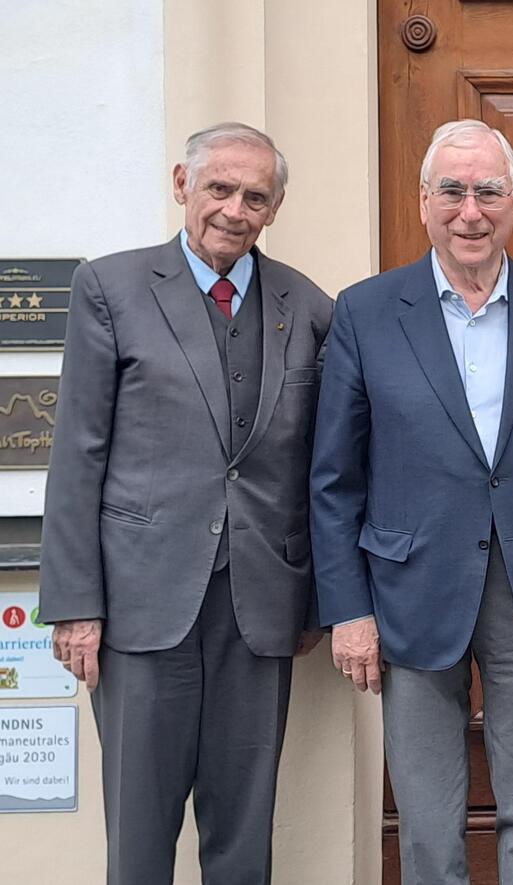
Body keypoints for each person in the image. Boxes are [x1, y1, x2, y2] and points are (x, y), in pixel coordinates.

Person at [310, 118, 513, 885]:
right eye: (452, 191)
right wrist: (347, 609)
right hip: (406, 587)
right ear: (423, 202)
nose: (469, 210)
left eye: (487, 191)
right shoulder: (367, 310)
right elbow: (334, 475)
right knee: (427, 820)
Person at [39, 122, 334, 884]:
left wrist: (316, 603)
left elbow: (321, 466)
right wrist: (75, 603)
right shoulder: (108, 288)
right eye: (220, 188)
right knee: (139, 837)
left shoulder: (310, 305)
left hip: (263, 605)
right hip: (140, 607)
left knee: (243, 838)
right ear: (183, 184)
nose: (235, 209)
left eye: (256, 197)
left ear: (273, 209)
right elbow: (76, 455)